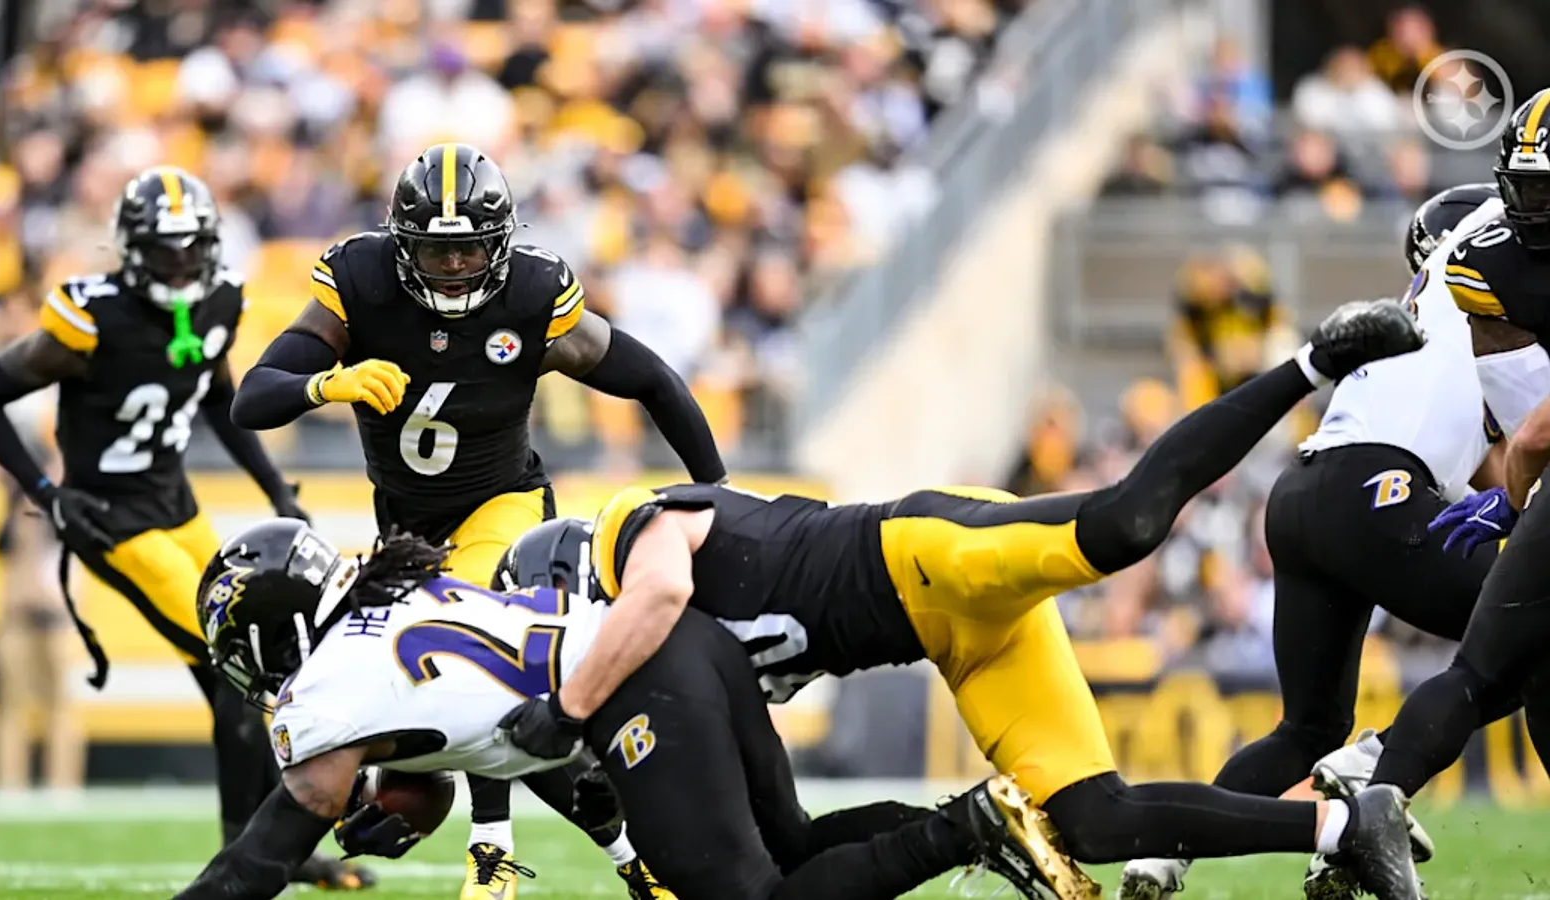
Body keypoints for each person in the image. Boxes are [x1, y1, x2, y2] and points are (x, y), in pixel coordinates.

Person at [496, 299, 1433, 900]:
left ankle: (1313, 362)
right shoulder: (682, 663)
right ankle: (1345, 821)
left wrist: (569, 706)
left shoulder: (632, 532)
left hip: (922, 558)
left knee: (1124, 528)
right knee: (1096, 823)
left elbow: (657, 589)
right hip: (959, 645)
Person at [228, 142, 725, 900]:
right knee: (473, 702)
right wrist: (330, 382)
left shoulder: (533, 294)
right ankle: (637, 859)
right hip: (405, 530)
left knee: (468, 658)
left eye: (469, 251)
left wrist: (716, 488)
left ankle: (491, 855)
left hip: (505, 504)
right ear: (402, 244)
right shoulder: (359, 282)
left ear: (500, 245)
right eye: (436, 250)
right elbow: (253, 397)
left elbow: (651, 377)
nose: (455, 267)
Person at [171, 518, 1048, 900]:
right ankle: (992, 827)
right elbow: (441, 736)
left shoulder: (330, 685)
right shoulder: (388, 604)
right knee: (796, 842)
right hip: (677, 646)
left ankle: (968, 825)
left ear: (274, 629)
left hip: (640, 688)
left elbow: (259, 862)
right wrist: (403, 796)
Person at [0, 167, 363, 889]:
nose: (179, 264)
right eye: (163, 250)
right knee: (237, 666)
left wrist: (274, 488)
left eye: (189, 248)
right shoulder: (91, 316)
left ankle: (270, 848)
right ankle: (255, 856)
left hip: (177, 506)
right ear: (131, 248)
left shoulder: (219, 297)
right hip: (111, 517)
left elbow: (214, 392)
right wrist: (46, 491)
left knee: (242, 674)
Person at [1120, 184, 1508, 899]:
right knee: (1524, 633)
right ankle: (1376, 776)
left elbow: (1482, 470)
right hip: (1374, 489)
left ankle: (1167, 852)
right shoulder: (1486, 296)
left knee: (1306, 727)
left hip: (1305, 492)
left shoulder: (1433, 321)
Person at [1334, 89, 1550, 872]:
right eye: (1526, 190)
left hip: (1354, 475)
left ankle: (1377, 773)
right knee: (1506, 666)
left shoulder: (1471, 277)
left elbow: (1527, 437)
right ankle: (1378, 782)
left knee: (1495, 666)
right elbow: (1526, 431)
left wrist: (1518, 500)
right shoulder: (1485, 273)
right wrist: (1520, 497)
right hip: (1409, 479)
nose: (1534, 209)